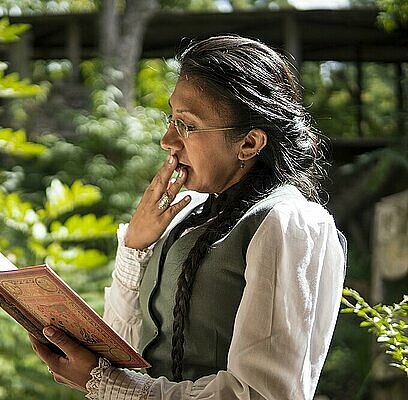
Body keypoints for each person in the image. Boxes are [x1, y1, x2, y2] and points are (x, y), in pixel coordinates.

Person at [29, 35, 347, 400]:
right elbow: (128, 355)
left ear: (249, 143)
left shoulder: (289, 222)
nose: (167, 140)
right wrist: (135, 245)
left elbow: (261, 394)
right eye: (171, 119)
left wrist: (105, 384)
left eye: (187, 126)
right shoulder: (189, 215)